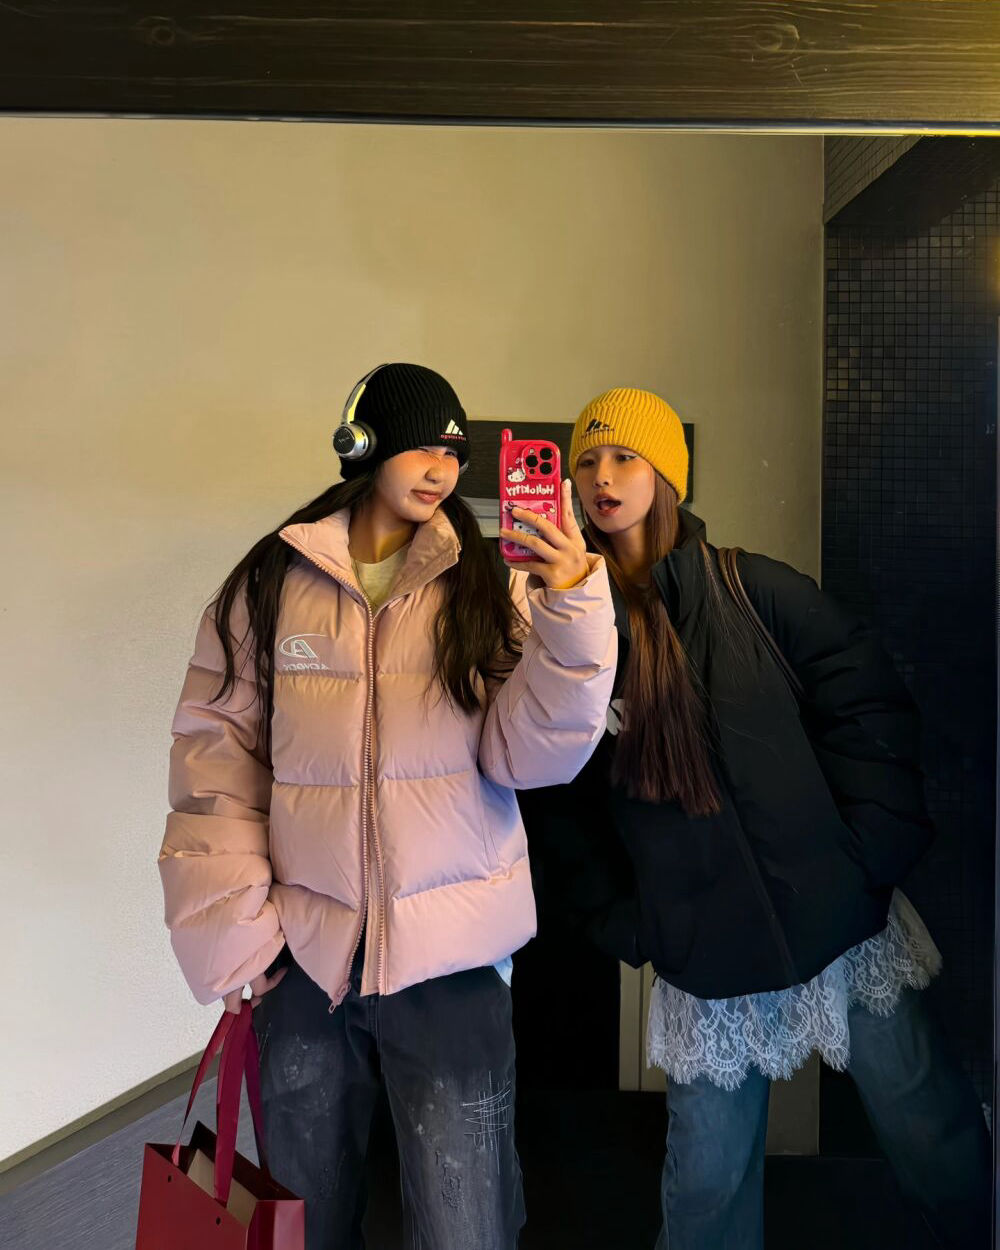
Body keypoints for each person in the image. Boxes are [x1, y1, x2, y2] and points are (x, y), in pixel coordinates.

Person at [157, 363, 616, 1249]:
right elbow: (216, 755)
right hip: (304, 961)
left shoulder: (484, 583)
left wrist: (571, 611)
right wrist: (238, 932)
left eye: (455, 453)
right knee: (305, 1223)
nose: (443, 469)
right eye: (422, 447)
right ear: (362, 445)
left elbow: (533, 756)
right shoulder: (271, 581)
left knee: (464, 1229)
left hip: (453, 967)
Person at [539, 386, 992, 1250]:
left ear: (667, 475)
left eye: (625, 456)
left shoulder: (751, 587)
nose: (602, 477)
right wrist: (633, 923)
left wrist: (867, 856)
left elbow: (868, 703)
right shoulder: (567, 629)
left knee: (930, 1128)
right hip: (706, 957)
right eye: (586, 460)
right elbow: (558, 803)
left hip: (842, 919)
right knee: (707, 1185)